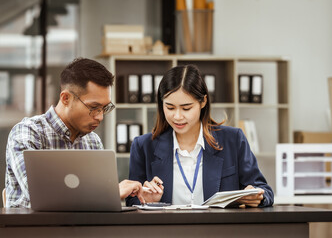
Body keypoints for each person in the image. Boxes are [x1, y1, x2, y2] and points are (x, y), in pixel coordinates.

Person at [126, 64, 274, 208]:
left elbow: (264, 190)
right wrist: (146, 201)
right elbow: (131, 203)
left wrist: (256, 196)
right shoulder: (143, 146)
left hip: (219, 232)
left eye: (186, 108)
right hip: (167, 232)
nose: (177, 116)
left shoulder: (233, 140)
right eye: (170, 107)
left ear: (203, 102)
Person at [5, 57, 144, 208]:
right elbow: (38, 195)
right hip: (31, 229)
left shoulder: (93, 141)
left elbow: (98, 204)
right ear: (66, 98)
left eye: (104, 108)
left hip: (81, 229)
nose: (100, 116)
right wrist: (110, 193)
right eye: (93, 107)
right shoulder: (27, 132)